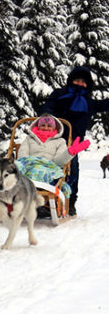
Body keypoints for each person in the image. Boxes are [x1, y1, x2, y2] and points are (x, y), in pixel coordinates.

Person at [41, 65, 109, 215]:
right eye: (77, 80)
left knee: (72, 171)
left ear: (88, 85)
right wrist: (48, 117)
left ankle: (70, 202)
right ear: (72, 80)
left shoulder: (88, 102)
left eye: (83, 82)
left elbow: (104, 104)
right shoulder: (60, 94)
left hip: (73, 144)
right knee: (47, 166)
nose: (80, 83)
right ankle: (43, 199)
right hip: (53, 139)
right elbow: (49, 106)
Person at [16, 114, 89, 216]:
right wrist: (32, 163)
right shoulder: (29, 139)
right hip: (29, 166)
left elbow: (58, 162)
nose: (46, 128)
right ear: (38, 126)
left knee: (43, 172)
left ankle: (42, 205)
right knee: (14, 168)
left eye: (49, 126)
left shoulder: (60, 142)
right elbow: (22, 156)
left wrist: (71, 152)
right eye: (43, 125)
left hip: (49, 169)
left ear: (55, 128)